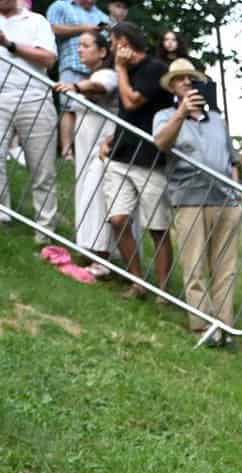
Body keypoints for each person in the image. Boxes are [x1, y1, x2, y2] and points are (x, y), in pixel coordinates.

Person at [151, 57, 240, 340]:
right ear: (173, 88)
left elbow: (232, 159)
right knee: (195, 265)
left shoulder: (217, 120)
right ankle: (203, 325)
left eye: (191, 78)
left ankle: (223, 326)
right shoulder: (165, 117)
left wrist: (237, 194)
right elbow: (161, 144)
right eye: (180, 79)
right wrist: (181, 114)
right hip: (189, 198)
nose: (187, 82)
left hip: (226, 200)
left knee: (225, 268)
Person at [102, 22, 172, 295]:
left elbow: (132, 102)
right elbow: (127, 114)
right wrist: (111, 138)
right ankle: (138, 282)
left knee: (157, 228)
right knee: (118, 220)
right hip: (120, 156)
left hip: (149, 159)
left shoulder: (154, 69)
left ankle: (164, 291)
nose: (110, 48)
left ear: (125, 42)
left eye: (112, 42)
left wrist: (119, 69)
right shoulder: (126, 71)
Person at [53, 27, 116, 267]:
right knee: (87, 197)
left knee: (97, 198)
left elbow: (102, 87)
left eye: (86, 45)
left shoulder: (107, 74)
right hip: (86, 152)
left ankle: (100, 259)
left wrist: (77, 88)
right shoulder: (88, 76)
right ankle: (89, 252)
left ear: (102, 52)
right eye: (79, 45)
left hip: (102, 152)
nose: (79, 49)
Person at [0, 0, 59, 233]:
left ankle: (45, 230)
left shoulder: (36, 21)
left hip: (34, 96)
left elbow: (48, 59)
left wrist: (9, 44)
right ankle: (3, 217)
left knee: (42, 167)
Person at [45, 0, 105, 158]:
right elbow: (50, 28)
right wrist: (85, 29)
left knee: (91, 109)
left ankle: (88, 150)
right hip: (70, 64)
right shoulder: (61, 6)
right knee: (69, 108)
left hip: (97, 69)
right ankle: (67, 151)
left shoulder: (100, 14)